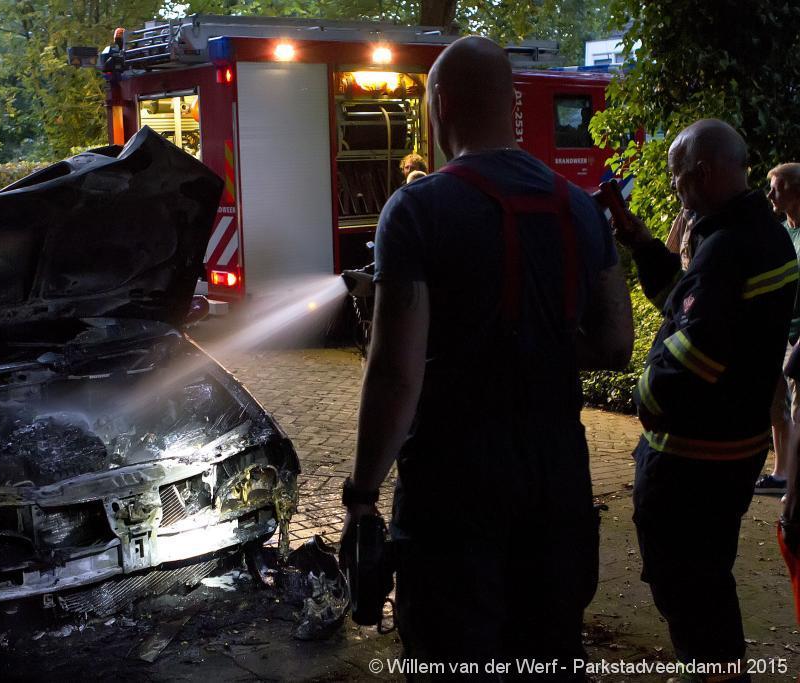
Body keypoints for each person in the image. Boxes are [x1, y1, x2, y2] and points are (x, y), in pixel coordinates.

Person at [340, 35, 633, 673]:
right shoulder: (580, 208)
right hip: (557, 483)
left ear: (440, 104)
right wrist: (534, 342)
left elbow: (395, 374)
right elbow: (616, 343)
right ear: (511, 105)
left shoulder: (415, 210)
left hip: (453, 491)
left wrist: (362, 492)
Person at [613, 119, 798, 676]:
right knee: (709, 582)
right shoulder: (756, 235)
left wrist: (644, 396)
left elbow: (694, 359)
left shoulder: (729, 248)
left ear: (704, 172)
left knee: (693, 593)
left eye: (677, 175)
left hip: (693, 463)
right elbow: (686, 301)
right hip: (732, 452)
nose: (674, 186)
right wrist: (644, 243)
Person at [758, 163, 800, 493]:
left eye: (777, 187)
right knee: (776, 405)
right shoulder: (781, 232)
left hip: (799, 336)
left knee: (798, 409)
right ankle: (780, 472)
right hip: (778, 330)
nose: (770, 194)